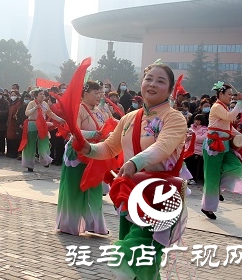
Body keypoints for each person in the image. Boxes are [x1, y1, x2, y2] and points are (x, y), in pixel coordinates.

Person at [76, 63, 188, 280]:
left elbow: (163, 147)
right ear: (142, 83)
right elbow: (109, 148)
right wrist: (87, 148)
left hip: (159, 196)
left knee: (133, 250)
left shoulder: (173, 118)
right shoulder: (129, 118)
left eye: (160, 81)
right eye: (149, 78)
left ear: (170, 89)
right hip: (130, 192)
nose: (153, 84)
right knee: (144, 262)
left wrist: (136, 162)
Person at [56, 81, 109, 236]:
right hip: (77, 153)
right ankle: (69, 223)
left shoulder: (100, 111)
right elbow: (75, 132)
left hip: (94, 152)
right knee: (75, 188)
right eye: (95, 93)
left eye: (100, 93)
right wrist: (93, 135)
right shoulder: (78, 109)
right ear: (85, 93)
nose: (98, 97)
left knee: (94, 188)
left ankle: (94, 224)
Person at [201, 82, 242, 220]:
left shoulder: (223, 107)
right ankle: (207, 207)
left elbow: (227, 126)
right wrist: (239, 102)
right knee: (211, 177)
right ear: (220, 94)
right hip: (214, 145)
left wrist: (239, 135)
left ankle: (218, 189)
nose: (230, 97)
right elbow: (230, 118)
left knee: (235, 166)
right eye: (229, 94)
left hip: (224, 145)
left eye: (231, 95)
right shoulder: (216, 106)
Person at [20, 89, 64, 172]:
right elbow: (27, 113)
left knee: (44, 142)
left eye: (43, 94)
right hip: (32, 124)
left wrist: (59, 119)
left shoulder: (45, 104)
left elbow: (50, 113)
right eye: (40, 94)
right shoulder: (31, 103)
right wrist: (35, 108)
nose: (42, 96)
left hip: (42, 124)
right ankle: (29, 165)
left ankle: (45, 161)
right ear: (36, 96)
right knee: (30, 144)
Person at [6, 89, 23, 158]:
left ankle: (14, 153)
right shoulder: (10, 103)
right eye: (12, 95)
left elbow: (18, 112)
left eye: (14, 95)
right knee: (9, 139)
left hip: (15, 123)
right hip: (9, 123)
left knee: (14, 139)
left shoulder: (18, 103)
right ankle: (9, 152)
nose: (13, 96)